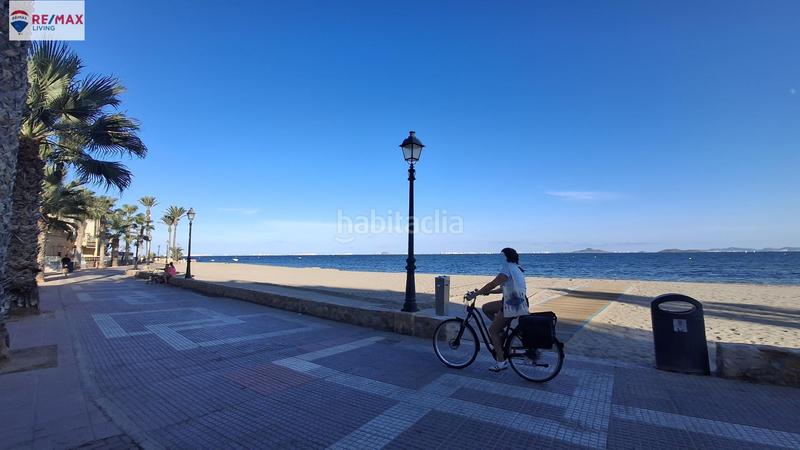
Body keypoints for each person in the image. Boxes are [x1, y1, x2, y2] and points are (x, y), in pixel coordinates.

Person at [466, 248, 528, 372]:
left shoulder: (507, 268)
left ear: (506, 257)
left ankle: (501, 361)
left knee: (492, 331)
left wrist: (475, 294)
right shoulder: (516, 267)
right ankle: (501, 331)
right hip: (518, 301)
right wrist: (489, 292)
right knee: (486, 308)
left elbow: (492, 283)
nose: (500, 258)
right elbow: (502, 288)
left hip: (512, 304)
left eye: (501, 256)